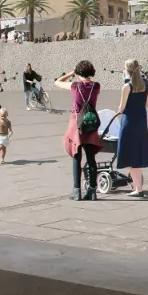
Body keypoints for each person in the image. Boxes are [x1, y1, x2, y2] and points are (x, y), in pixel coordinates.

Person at [58, 60, 102, 201]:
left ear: (79, 73)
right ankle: (92, 191)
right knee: (91, 159)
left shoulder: (75, 86)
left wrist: (72, 72)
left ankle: (76, 191)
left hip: (76, 123)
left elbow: (57, 82)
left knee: (76, 157)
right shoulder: (96, 86)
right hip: (91, 122)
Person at [113, 59, 148, 197]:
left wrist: (119, 110)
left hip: (129, 122)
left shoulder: (127, 87)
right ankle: (137, 185)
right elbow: (147, 104)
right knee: (138, 153)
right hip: (141, 121)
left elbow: (121, 108)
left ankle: (138, 188)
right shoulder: (146, 84)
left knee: (129, 155)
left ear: (126, 70)